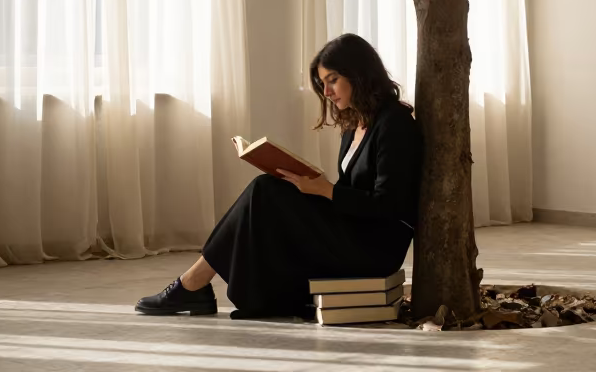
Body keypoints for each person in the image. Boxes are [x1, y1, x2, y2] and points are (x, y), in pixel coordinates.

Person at [135, 33, 423, 318]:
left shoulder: (394, 124)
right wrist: (313, 186)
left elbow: (388, 205)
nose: (327, 92)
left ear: (359, 74)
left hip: (375, 247)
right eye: (322, 84)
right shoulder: (354, 125)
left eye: (333, 80)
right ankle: (198, 284)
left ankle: (193, 283)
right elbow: (353, 192)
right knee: (271, 187)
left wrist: (325, 191)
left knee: (265, 190)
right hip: (355, 230)